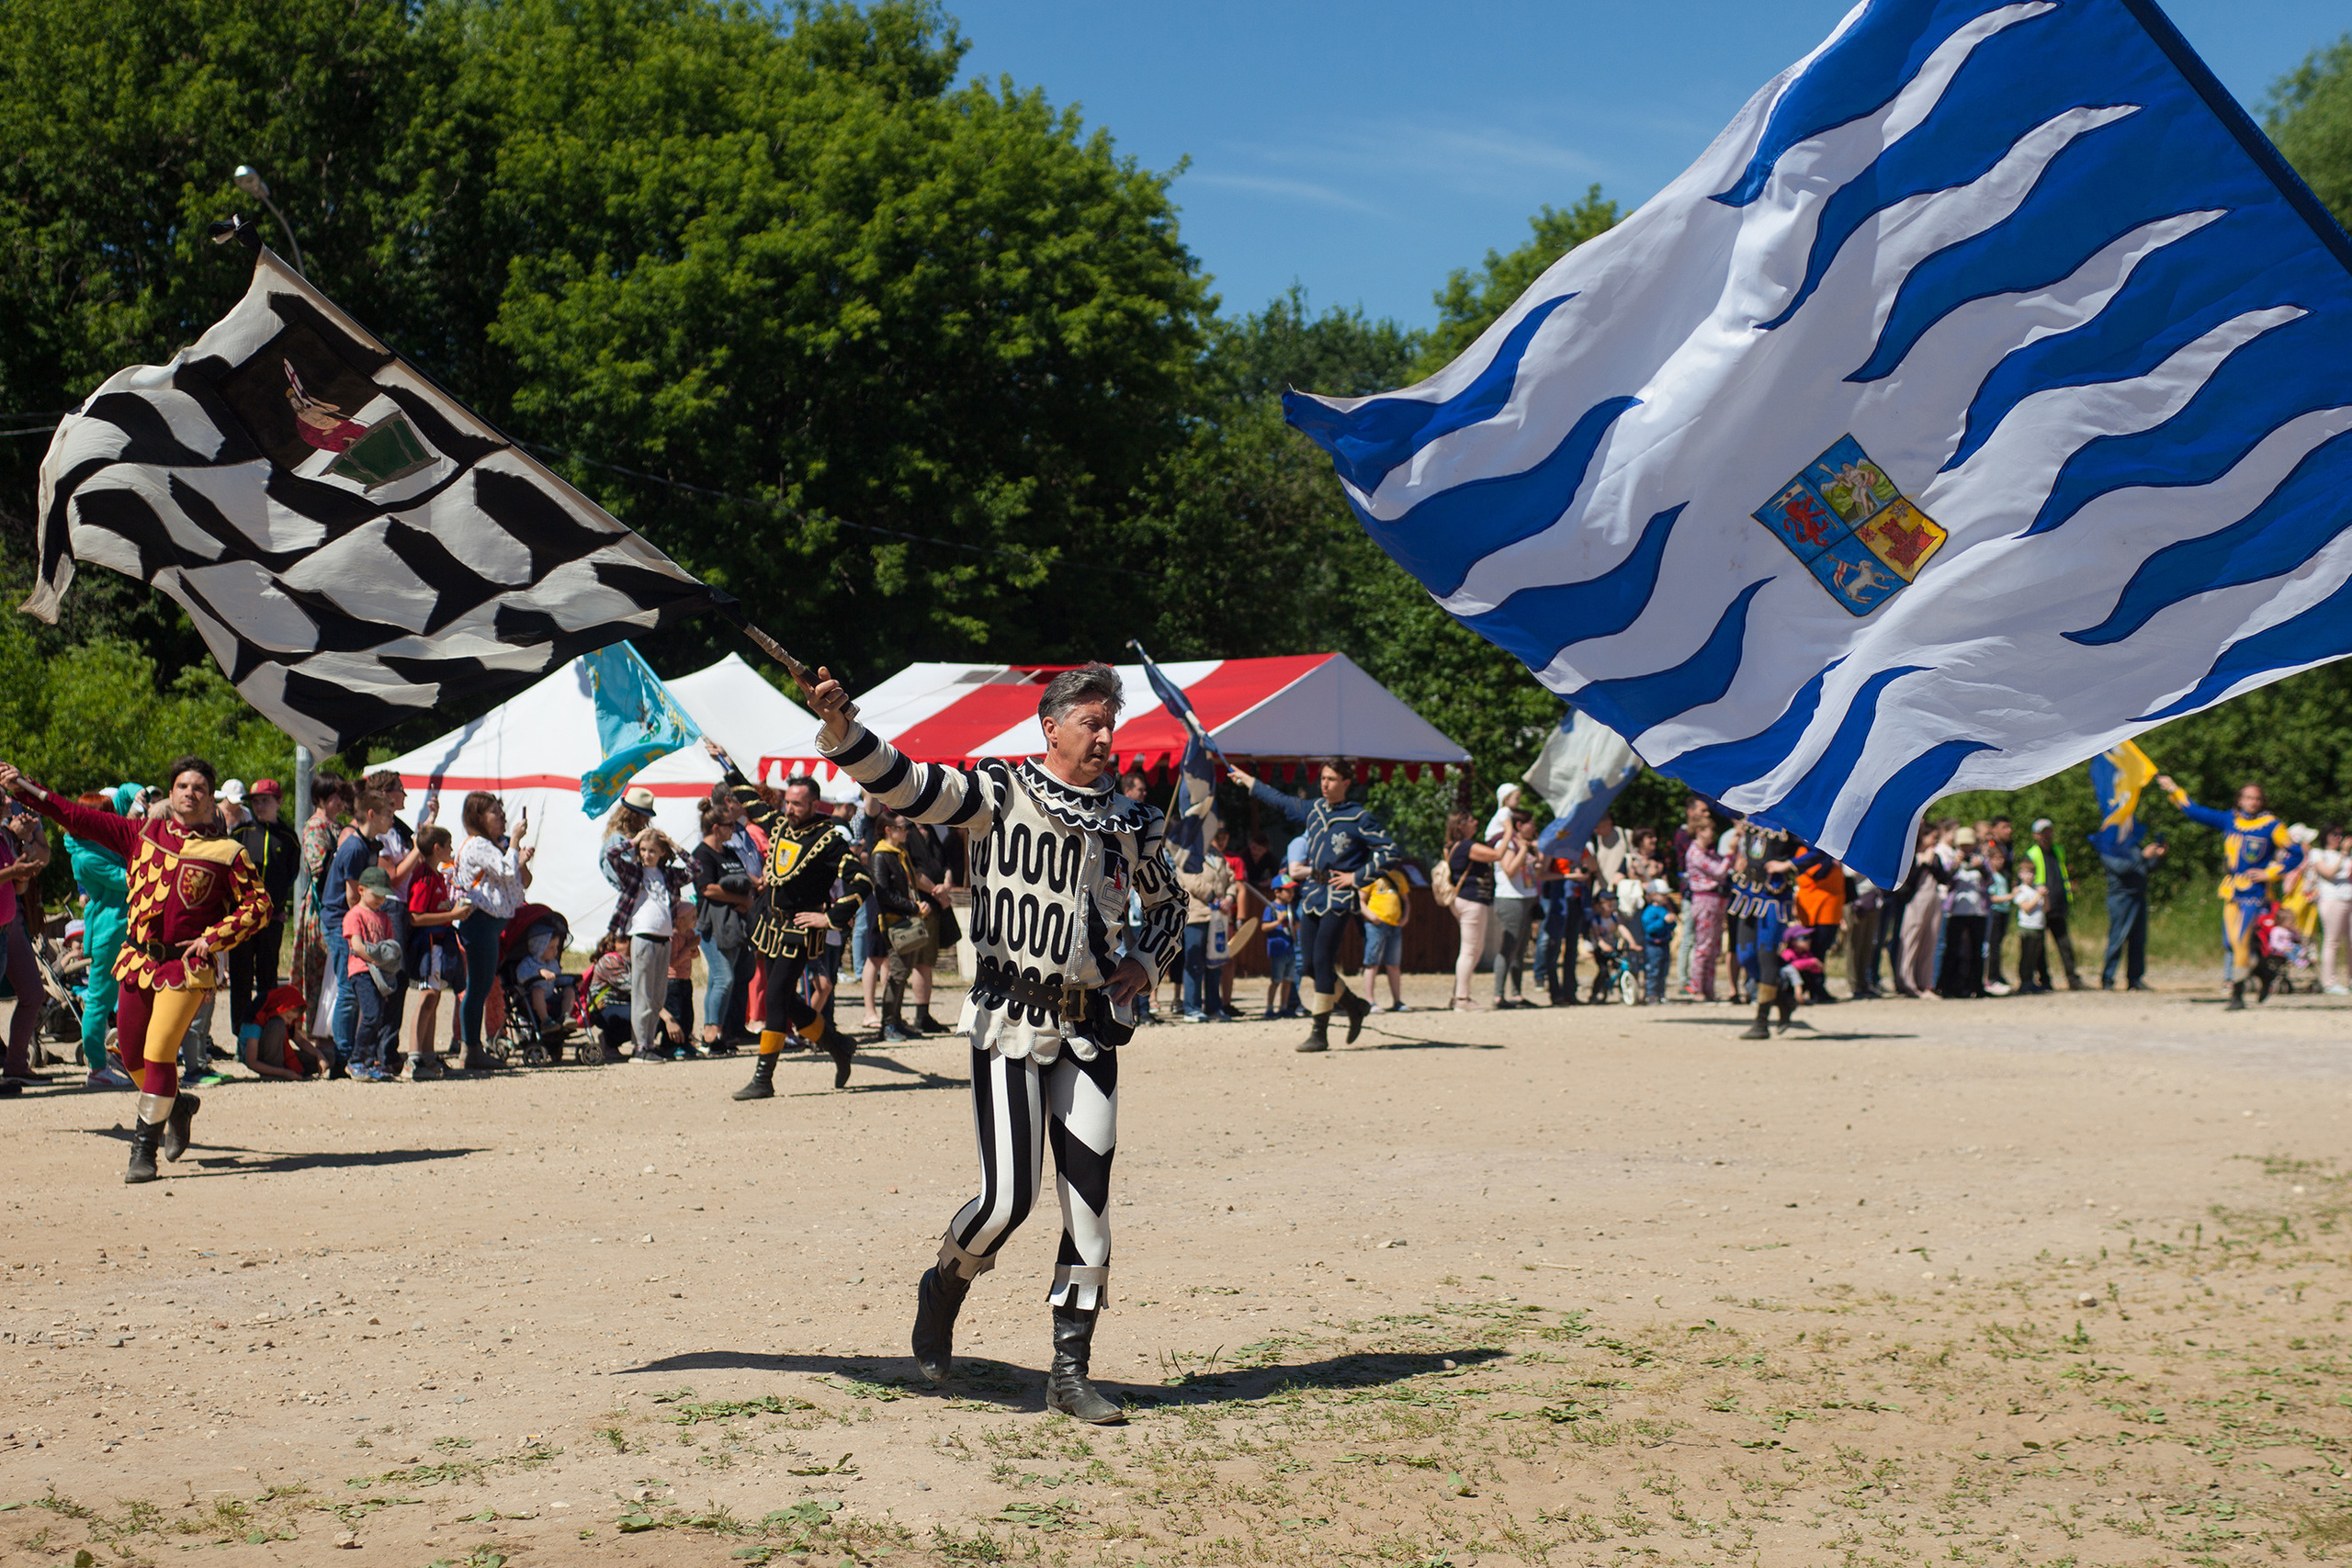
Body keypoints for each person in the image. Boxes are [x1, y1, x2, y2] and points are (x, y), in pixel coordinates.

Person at [811, 660, 1182, 1425]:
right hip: (1009, 1021)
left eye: (1112, 723)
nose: (1107, 737)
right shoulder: (1001, 790)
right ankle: (943, 1283)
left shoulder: (1134, 821)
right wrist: (845, 734)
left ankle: (1070, 1371)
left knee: (1090, 1207)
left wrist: (1146, 963)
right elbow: (909, 784)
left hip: (1089, 1028)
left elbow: (1169, 904)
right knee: (1008, 1199)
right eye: (1092, 723)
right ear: (1051, 728)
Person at [0, 755, 270, 1174]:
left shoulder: (228, 852)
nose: (189, 793)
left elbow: (260, 905)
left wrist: (212, 940)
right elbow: (74, 815)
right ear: (173, 792)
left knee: (160, 1053)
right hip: (138, 960)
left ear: (210, 798)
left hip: (185, 969)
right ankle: (176, 1104)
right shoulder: (141, 834)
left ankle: (143, 1151)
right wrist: (23, 787)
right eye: (182, 786)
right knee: (131, 1056)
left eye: (198, 787)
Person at [708, 748, 872, 1098]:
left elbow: (862, 882)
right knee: (784, 998)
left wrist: (828, 918)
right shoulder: (779, 825)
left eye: (798, 804)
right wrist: (723, 760)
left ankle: (763, 1079)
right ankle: (837, 1044)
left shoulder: (828, 842)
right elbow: (748, 798)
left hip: (800, 933)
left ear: (814, 805)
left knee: (776, 1000)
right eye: (788, 802)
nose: (790, 809)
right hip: (770, 925)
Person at [1233, 758, 1396, 1053]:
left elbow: (1389, 852)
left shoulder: (1359, 817)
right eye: (1323, 778)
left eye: (1331, 779)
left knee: (1322, 961)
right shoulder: (1315, 810)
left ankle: (1319, 1032)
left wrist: (1357, 877)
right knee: (1307, 965)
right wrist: (1249, 782)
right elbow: (1280, 801)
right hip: (1311, 898)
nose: (1324, 784)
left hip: (1338, 899)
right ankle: (1353, 1004)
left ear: (1346, 782)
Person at [2156, 775, 2303, 1009]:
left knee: (2241, 940)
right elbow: (2194, 811)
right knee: (2230, 942)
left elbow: (2296, 853)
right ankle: (2264, 972)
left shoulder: (2272, 826)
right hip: (2232, 890)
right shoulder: (2230, 820)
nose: (2252, 802)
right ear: (2240, 800)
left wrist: (2271, 873)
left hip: (2254, 892)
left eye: (2256, 798)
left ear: (2262, 801)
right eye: (2247, 797)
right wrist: (2173, 788)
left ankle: (2237, 994)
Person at [1728, 819, 1831, 1038]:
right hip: (1748, 894)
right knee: (1746, 957)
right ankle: (1784, 1001)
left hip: (1774, 897)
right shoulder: (1749, 808)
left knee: (1767, 957)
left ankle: (1761, 1023)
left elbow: (1822, 849)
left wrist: (1789, 865)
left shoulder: (1789, 817)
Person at [453, 793, 533, 1071]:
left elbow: (513, 876)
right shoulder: (478, 845)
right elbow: (506, 871)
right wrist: (514, 842)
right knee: (478, 988)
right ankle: (471, 1049)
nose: (501, 817)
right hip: (480, 923)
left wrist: (514, 851)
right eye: (494, 813)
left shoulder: (489, 845)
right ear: (478, 818)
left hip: (489, 924)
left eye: (501, 812)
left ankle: (472, 1049)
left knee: (482, 986)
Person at [64, 784, 137, 1088]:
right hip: (109, 932)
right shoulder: (85, 856)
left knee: (128, 997)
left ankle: (118, 1053)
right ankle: (96, 1067)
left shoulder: (102, 843)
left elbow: (126, 797)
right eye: (106, 817)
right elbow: (126, 880)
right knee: (99, 1001)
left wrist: (142, 795)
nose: (113, 822)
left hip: (123, 926)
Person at [605, 825, 693, 1064]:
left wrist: (674, 845)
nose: (646, 855)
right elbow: (610, 855)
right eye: (643, 850)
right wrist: (633, 841)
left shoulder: (669, 875)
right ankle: (640, 1045)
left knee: (657, 995)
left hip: (664, 937)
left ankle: (650, 1043)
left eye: (652, 850)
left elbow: (696, 869)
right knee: (642, 993)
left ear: (662, 852)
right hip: (643, 935)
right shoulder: (634, 872)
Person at [228, 777, 299, 1038]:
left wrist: (276, 906)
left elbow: (291, 874)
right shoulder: (239, 833)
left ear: (278, 802)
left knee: (268, 976)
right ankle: (241, 1034)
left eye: (265, 800)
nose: (260, 806)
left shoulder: (289, 838)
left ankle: (267, 1032)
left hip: (272, 919)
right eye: (256, 801)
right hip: (242, 918)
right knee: (241, 976)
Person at [401, 825, 471, 1078]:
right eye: (449, 845)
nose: (451, 850)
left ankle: (428, 1056)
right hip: (428, 944)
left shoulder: (436, 875)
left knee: (435, 995)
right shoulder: (423, 876)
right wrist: (451, 915)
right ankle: (414, 1057)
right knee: (428, 996)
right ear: (436, 848)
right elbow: (415, 917)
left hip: (440, 943)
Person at [871, 812, 943, 1043]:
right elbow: (883, 893)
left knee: (904, 972)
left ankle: (896, 1022)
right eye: (902, 828)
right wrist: (913, 906)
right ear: (888, 830)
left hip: (906, 919)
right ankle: (888, 1023)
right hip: (894, 922)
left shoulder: (899, 853)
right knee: (898, 973)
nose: (906, 831)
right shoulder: (881, 855)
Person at [692, 795, 756, 1051]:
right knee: (723, 978)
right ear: (716, 828)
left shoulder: (728, 851)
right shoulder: (703, 854)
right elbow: (707, 889)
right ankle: (710, 1034)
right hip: (712, 926)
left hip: (734, 925)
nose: (735, 828)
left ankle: (727, 1031)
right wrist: (741, 899)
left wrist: (751, 891)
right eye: (730, 825)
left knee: (737, 976)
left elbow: (743, 876)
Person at [0, 799, 49, 1091]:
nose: (9, 801)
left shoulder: (6, 834)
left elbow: (39, 862)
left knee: (33, 992)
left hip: (9, 926)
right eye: (2, 794)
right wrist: (14, 872)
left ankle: (16, 1065)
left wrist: (24, 872)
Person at [342, 866, 405, 1081]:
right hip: (361, 971)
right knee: (370, 1015)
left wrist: (386, 961)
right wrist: (378, 958)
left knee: (378, 1017)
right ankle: (356, 1061)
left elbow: (391, 945)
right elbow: (358, 947)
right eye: (375, 895)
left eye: (382, 896)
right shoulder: (354, 915)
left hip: (379, 974)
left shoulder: (384, 918)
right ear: (361, 889)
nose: (379, 900)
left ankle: (369, 1063)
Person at [1175, 828, 1237, 1023]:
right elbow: (1191, 881)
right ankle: (1191, 1008)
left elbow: (1231, 879)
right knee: (1194, 962)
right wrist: (1214, 898)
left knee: (1215, 962)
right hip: (1197, 914)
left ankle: (1214, 1007)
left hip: (1218, 917)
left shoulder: (1217, 855)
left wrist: (1229, 897)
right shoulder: (1188, 854)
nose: (1216, 838)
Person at [2096, 826, 2166, 991]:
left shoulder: (2133, 847)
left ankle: (2135, 979)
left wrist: (2158, 857)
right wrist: (2143, 856)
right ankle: (2108, 978)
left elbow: (2146, 868)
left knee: (2138, 939)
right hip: (2121, 898)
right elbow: (2121, 868)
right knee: (2117, 938)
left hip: (2138, 896)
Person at [1443, 812, 1501, 1010]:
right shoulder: (1467, 846)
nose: (1476, 822)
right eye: (1470, 820)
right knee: (1470, 950)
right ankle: (1462, 999)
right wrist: (1509, 831)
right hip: (1471, 900)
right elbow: (1497, 855)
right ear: (1461, 826)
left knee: (1472, 950)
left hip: (1462, 900)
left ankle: (1459, 995)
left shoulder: (1452, 846)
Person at [2021, 818, 2086, 991]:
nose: (2047, 835)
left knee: (2065, 944)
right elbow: (2027, 877)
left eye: (2049, 830)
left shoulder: (2059, 851)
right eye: (2043, 832)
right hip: (2040, 906)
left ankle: (2073, 979)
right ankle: (2044, 980)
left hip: (2058, 904)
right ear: (2036, 835)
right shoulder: (2032, 853)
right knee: (2039, 947)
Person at [1487, 811, 1541, 1008]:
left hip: (1527, 899)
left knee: (1520, 949)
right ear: (1519, 825)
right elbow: (1510, 870)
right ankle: (1498, 996)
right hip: (1510, 900)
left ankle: (1517, 994)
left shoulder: (1527, 845)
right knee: (1508, 948)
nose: (1534, 828)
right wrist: (1522, 850)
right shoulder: (1507, 843)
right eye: (1531, 824)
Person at [1937, 827, 1991, 999]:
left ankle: (1976, 985)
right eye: (1963, 845)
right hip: (1956, 911)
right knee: (1953, 949)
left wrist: (1981, 868)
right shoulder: (1952, 859)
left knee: (1977, 950)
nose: (1966, 849)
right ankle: (1949, 986)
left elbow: (1990, 880)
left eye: (1969, 845)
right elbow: (1945, 880)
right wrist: (1955, 865)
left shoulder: (1981, 860)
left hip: (1977, 910)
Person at [1681, 816, 1730, 1001]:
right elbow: (1718, 872)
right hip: (1704, 901)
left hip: (1716, 899)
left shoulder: (1708, 852)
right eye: (1710, 829)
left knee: (1714, 948)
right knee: (1703, 947)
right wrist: (1731, 855)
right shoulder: (1695, 853)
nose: (1713, 834)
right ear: (1700, 831)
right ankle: (1697, 988)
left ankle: (1708, 989)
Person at [240, 984, 325, 1081]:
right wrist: (284, 1073)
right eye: (288, 1017)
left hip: (281, 1056)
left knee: (329, 1058)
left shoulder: (283, 1018)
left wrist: (320, 1056)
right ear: (279, 1008)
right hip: (264, 1062)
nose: (289, 1022)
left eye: (292, 1019)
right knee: (277, 1025)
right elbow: (251, 1062)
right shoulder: (256, 1022)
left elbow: (300, 1041)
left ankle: (290, 1070)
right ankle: (274, 1073)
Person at [2306, 825, 2352, 994]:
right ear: (2326, 835)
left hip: (2349, 898)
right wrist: (2344, 853)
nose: (2338, 838)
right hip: (2331, 900)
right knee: (2332, 941)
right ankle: (2329, 982)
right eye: (2335, 834)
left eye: (2341, 834)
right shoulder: (2318, 853)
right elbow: (2329, 873)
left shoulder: (2347, 857)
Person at [1359, 864, 1410, 1012]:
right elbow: (1360, 899)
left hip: (1395, 925)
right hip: (1376, 925)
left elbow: (1405, 900)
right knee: (1371, 963)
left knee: (1394, 964)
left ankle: (1397, 1001)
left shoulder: (1398, 876)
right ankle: (1370, 1002)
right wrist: (1371, 916)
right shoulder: (1371, 876)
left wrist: (1405, 917)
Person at [2012, 859, 2051, 993]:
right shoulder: (2020, 891)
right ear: (2021, 874)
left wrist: (2044, 896)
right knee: (2026, 956)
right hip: (2027, 927)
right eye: (2026, 873)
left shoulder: (2037, 889)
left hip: (2039, 926)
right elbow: (2026, 908)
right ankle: (2024, 981)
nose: (2030, 876)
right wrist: (2038, 896)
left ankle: (2032, 981)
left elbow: (2047, 908)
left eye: (2032, 873)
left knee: (2035, 956)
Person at [1640, 880, 1677, 1003]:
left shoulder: (1665, 909)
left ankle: (1661, 995)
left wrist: (1672, 922)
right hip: (1653, 946)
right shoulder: (1649, 911)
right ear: (1654, 895)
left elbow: (1671, 926)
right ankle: (1651, 995)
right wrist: (1664, 922)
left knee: (1663, 971)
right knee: (1653, 971)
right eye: (1663, 894)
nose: (1666, 897)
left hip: (1664, 944)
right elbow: (1649, 928)